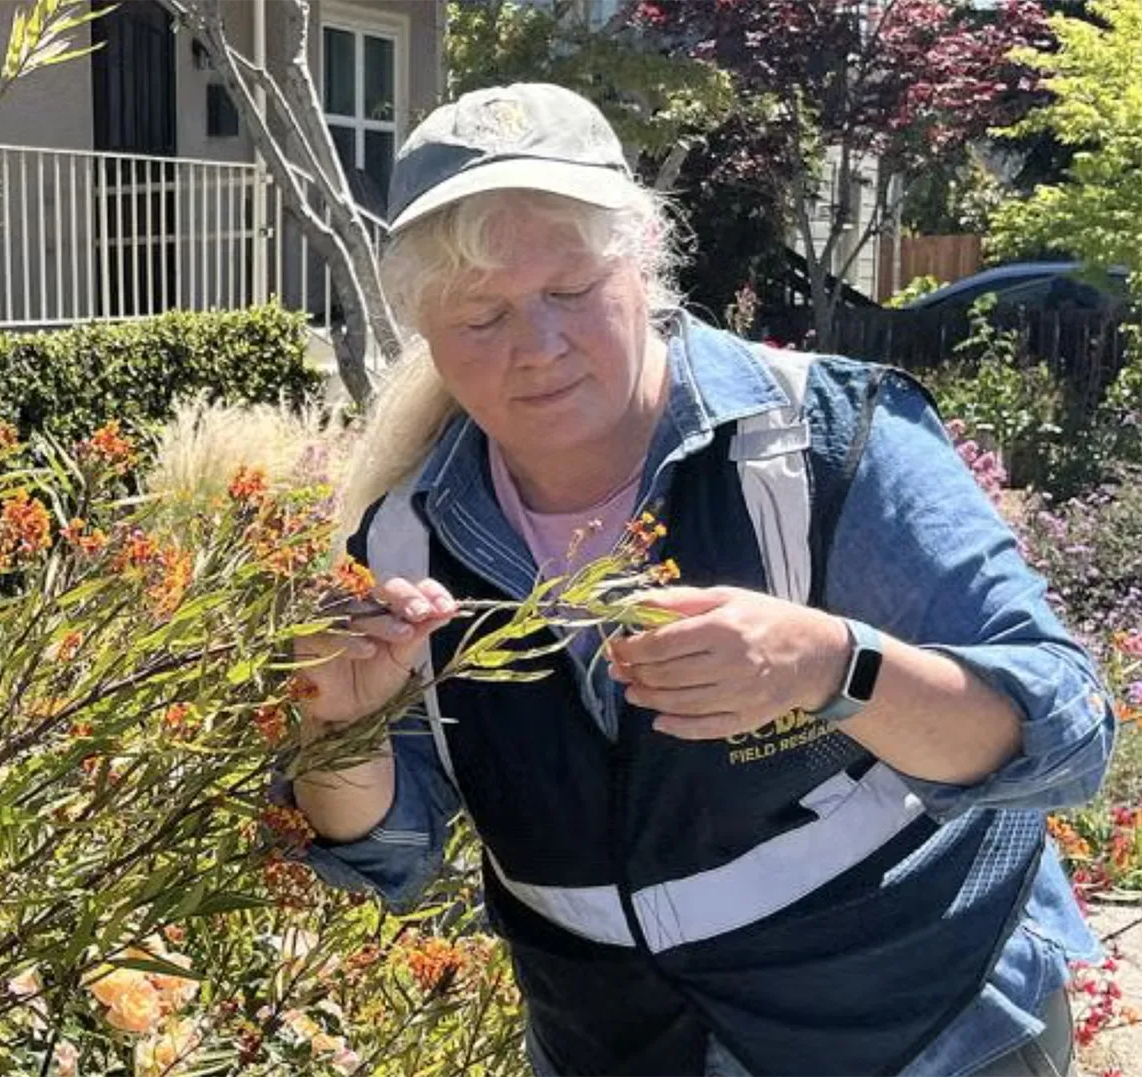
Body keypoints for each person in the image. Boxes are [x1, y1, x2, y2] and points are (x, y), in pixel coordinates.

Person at [289, 82, 1115, 1076]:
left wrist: (829, 666)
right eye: (482, 315)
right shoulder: (407, 546)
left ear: (644, 266)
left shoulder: (827, 444)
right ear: (425, 328)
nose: (538, 347)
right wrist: (337, 730)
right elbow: (387, 856)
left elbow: (1065, 734)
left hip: (929, 1034)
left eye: (570, 291)